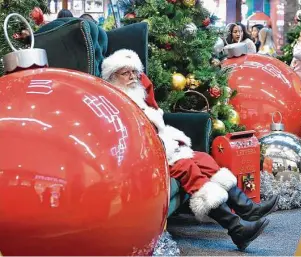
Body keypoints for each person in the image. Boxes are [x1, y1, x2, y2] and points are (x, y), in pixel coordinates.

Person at [101, 49, 279, 251]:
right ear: (113, 77)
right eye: (126, 73)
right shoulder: (114, 101)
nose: (133, 77)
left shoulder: (137, 95)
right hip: (143, 154)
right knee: (187, 167)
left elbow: (154, 118)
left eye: (134, 72)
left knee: (203, 159)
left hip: (161, 145)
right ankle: (235, 228)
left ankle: (247, 208)